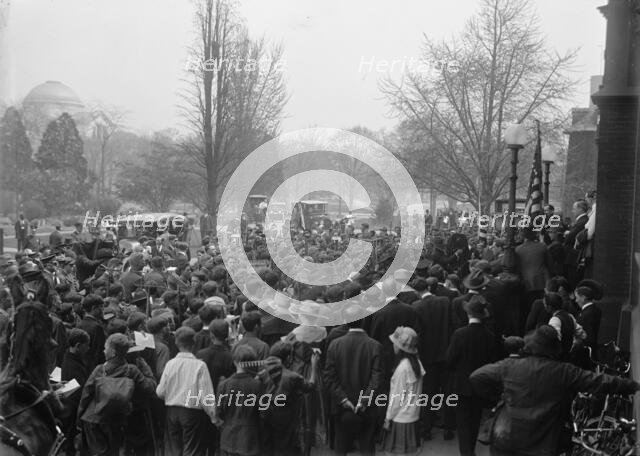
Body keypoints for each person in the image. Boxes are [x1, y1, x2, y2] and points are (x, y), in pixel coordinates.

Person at [470, 325, 640, 456]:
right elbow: (600, 381)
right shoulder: (563, 371)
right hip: (542, 443)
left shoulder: (509, 366)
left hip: (505, 439)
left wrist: (498, 398)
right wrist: (632, 385)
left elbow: (477, 376)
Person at [77, 333, 157, 456]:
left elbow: (86, 394)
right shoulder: (132, 370)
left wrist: (79, 417)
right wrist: (145, 367)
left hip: (93, 419)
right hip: (116, 420)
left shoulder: (99, 369)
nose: (104, 351)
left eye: (105, 348)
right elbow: (150, 388)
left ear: (113, 351)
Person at [446, 295, 499, 456]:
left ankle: (466, 452)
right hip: (480, 386)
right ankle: (471, 450)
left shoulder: (459, 334)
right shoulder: (489, 335)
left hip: (462, 384)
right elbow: (492, 361)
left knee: (463, 422)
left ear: (468, 314)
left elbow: (450, 360)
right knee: (475, 420)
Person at [324, 318, 383, 456]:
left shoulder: (335, 344)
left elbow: (329, 377)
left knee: (341, 447)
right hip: (367, 407)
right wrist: (364, 401)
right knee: (367, 447)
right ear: (363, 322)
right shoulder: (375, 346)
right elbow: (377, 379)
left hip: (341, 407)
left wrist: (343, 399)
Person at [156, 326, 219, 456]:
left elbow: (160, 392)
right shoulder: (200, 366)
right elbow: (206, 396)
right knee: (192, 450)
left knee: (173, 450)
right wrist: (214, 417)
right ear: (194, 342)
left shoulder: (170, 364)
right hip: (192, 413)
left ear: (176, 342)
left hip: (172, 411)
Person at [411, 277, 454, 440]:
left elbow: (418, 334)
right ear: (428, 287)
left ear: (416, 292)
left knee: (428, 394)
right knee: (447, 391)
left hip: (427, 357)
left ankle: (427, 429)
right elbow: (452, 324)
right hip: (446, 353)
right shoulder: (445, 301)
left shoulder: (416, 306)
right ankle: (448, 427)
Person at [258, 341, 320, 456]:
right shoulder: (292, 377)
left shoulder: (262, 374)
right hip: (287, 421)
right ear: (287, 358)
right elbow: (310, 386)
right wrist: (314, 367)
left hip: (266, 418)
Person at [382, 327, 424, 456]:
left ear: (400, 347)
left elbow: (396, 398)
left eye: (395, 343)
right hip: (413, 415)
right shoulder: (416, 362)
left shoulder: (402, 369)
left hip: (400, 418)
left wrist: (388, 418)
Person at [217, 345, 265, 456]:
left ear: (235, 362)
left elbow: (218, 412)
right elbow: (264, 413)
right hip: (250, 437)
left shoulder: (223, 385)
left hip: (228, 437)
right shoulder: (257, 385)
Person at [77, 294, 107, 370]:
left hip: (81, 366)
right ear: (94, 308)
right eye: (101, 307)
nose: (103, 310)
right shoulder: (97, 327)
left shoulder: (79, 324)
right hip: (93, 369)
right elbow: (98, 353)